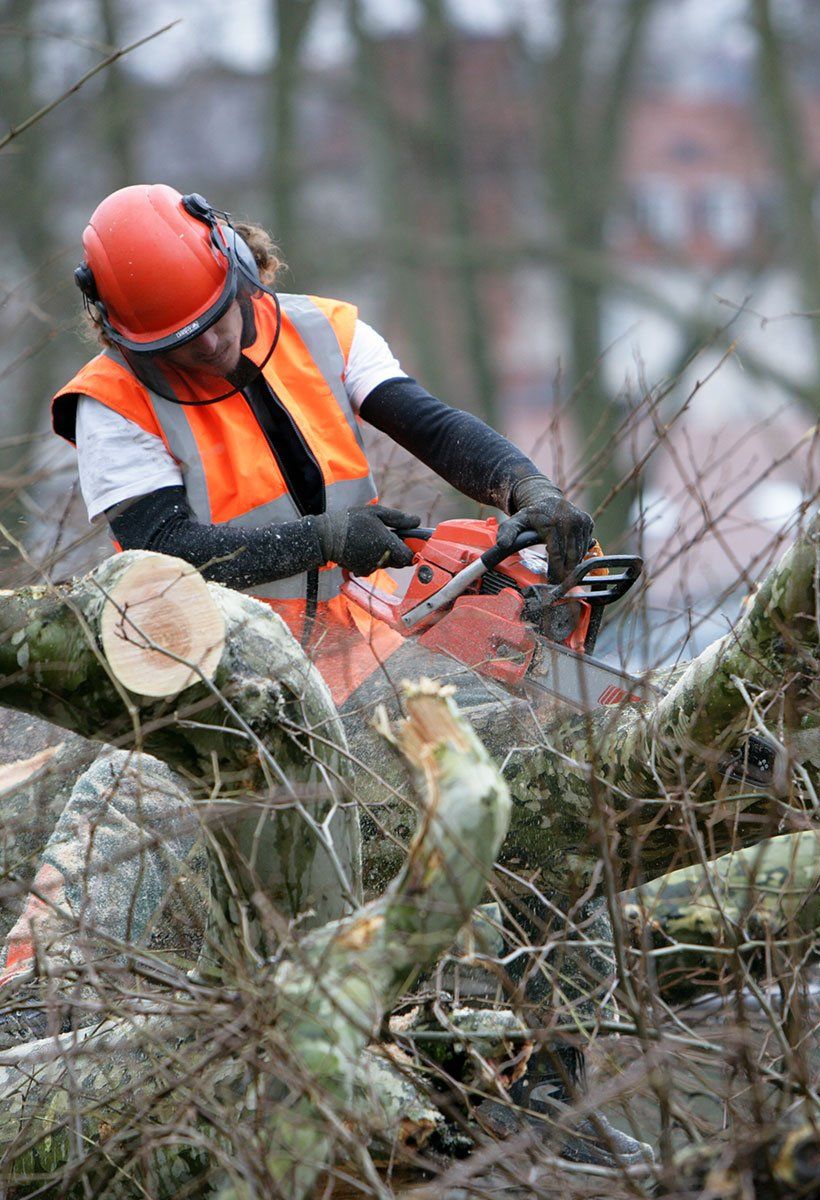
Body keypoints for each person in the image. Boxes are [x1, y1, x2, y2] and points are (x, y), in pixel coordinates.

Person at [1, 184, 651, 1167]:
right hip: (213, 684)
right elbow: (166, 548)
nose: (209, 350)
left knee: (540, 788)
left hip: (357, 640)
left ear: (234, 264)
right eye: (177, 343)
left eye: (216, 322)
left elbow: (430, 424)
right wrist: (328, 537)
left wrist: (529, 487)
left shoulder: (321, 330)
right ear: (121, 331)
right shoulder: (108, 407)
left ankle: (543, 1082)